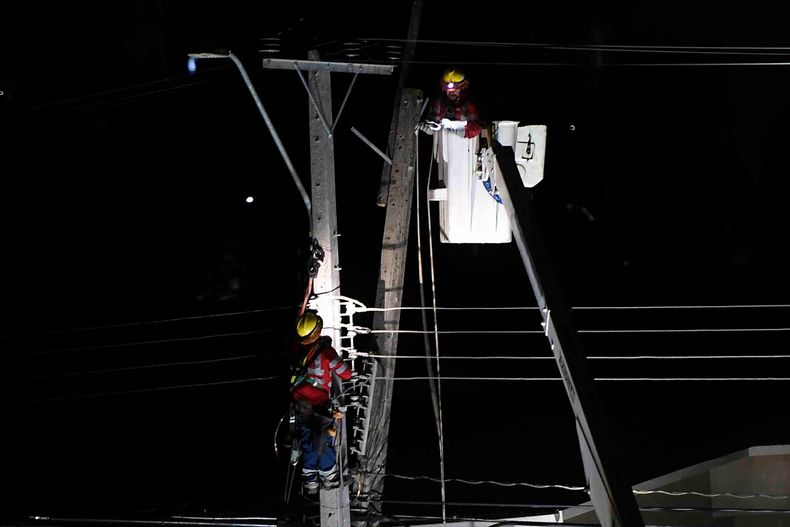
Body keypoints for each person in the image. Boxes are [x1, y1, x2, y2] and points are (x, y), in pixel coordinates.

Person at [289, 311, 352, 494]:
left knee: (307, 442)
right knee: (323, 441)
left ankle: (311, 482)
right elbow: (346, 373)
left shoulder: (295, 349)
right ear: (318, 330)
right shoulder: (325, 353)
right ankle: (329, 476)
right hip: (320, 407)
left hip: (299, 406)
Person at [419, 68, 482, 139]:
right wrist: (427, 128)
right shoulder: (438, 103)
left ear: (463, 88)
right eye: (448, 90)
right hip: (442, 146)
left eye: (455, 90)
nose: (451, 93)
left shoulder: (469, 105)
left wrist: (451, 127)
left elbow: (475, 129)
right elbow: (433, 124)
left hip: (464, 146)